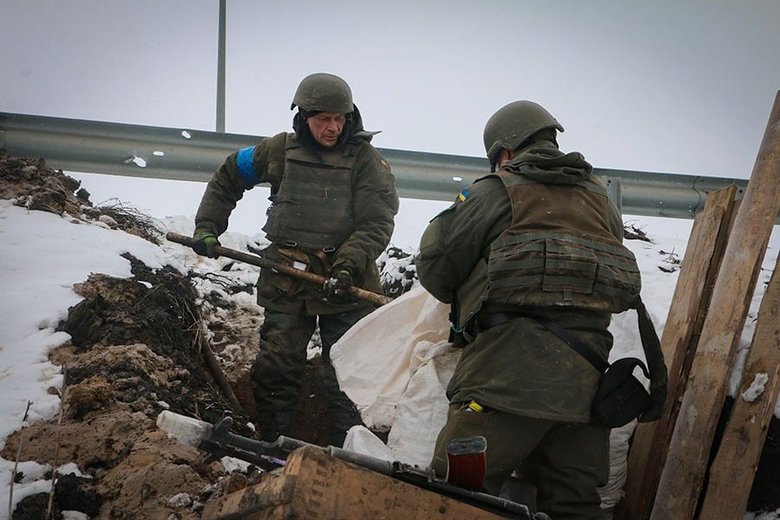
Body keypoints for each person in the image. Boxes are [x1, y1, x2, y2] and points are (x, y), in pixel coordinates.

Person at [416, 100, 651, 519]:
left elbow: (436, 266)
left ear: (504, 153)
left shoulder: (493, 191)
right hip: (586, 388)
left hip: (503, 380)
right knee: (575, 506)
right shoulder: (602, 203)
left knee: (457, 496)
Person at [191, 72, 399, 447]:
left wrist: (348, 264)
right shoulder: (275, 151)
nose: (333, 128)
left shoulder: (367, 161)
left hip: (347, 282)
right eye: (323, 119)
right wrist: (208, 226)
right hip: (287, 277)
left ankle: (348, 453)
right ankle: (274, 447)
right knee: (276, 368)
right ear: (303, 116)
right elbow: (228, 176)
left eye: (340, 118)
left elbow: (377, 221)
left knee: (349, 375)